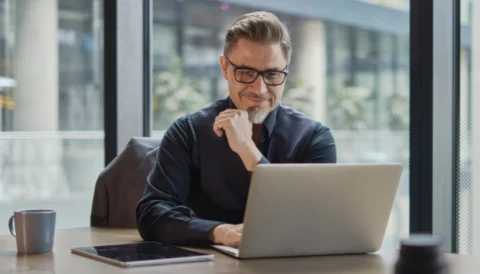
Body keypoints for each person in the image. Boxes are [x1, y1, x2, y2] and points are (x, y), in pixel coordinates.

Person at [136, 11, 337, 248]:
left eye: (272, 74)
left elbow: (317, 222)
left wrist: (249, 152)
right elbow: (151, 215)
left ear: (286, 71)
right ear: (225, 68)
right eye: (246, 73)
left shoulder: (315, 139)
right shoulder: (188, 131)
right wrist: (219, 233)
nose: (260, 89)